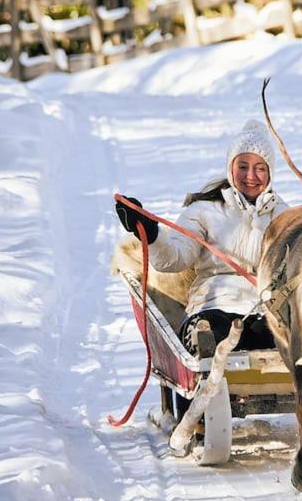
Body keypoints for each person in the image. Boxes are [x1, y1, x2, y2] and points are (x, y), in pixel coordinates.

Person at [116, 119, 289, 356]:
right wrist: (151, 233)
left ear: (270, 173)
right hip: (215, 305)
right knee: (213, 332)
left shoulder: (285, 217)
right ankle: (202, 350)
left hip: (267, 311)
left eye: (260, 168)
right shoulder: (204, 210)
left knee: (282, 335)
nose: (251, 176)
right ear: (230, 167)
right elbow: (173, 259)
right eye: (243, 166)